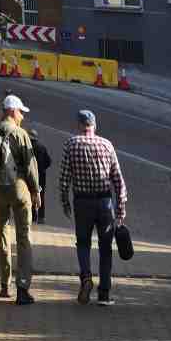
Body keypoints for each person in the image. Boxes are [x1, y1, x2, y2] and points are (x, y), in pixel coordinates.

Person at [59, 108, 128, 306]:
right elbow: (118, 180)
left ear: (79, 125)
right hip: (105, 203)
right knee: (105, 247)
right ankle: (104, 293)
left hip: (82, 202)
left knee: (83, 243)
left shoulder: (71, 144)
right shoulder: (107, 145)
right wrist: (121, 209)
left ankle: (86, 278)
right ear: (94, 125)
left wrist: (64, 201)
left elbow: (64, 178)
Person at [0, 92, 40, 304]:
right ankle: (23, 288)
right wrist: (36, 191)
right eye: (21, 112)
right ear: (13, 111)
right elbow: (31, 167)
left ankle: (4, 284)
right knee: (23, 237)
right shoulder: (20, 133)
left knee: (2, 233)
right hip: (19, 188)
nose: (22, 116)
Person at [33, 137, 53, 224]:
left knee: (31, 195)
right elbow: (49, 161)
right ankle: (41, 217)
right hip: (41, 176)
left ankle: (33, 216)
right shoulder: (42, 147)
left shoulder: (28, 146)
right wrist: (43, 169)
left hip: (31, 176)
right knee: (41, 196)